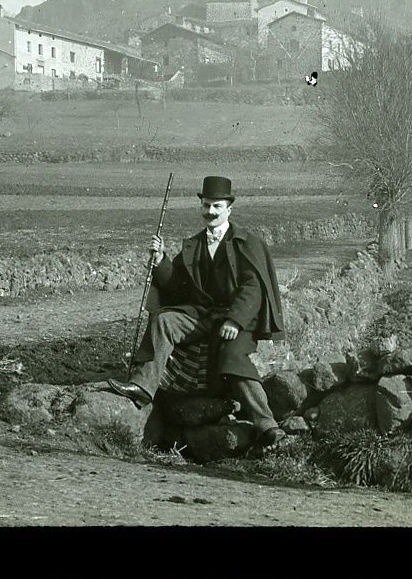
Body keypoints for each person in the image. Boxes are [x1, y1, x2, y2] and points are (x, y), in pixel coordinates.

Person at [106, 175, 287, 451]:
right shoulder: (194, 245)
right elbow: (177, 286)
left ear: (229, 209)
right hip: (202, 316)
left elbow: (252, 288)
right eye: (206, 206)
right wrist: (161, 261)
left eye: (217, 206)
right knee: (165, 320)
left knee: (233, 358)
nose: (210, 212)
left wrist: (235, 320)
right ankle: (143, 387)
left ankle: (268, 427)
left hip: (236, 321)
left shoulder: (244, 243)